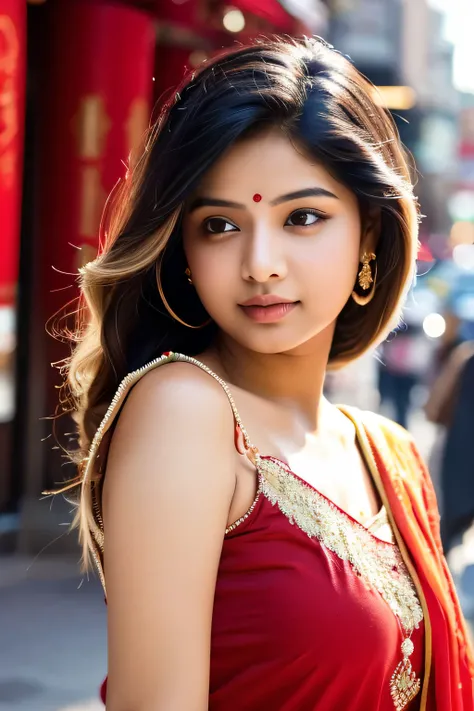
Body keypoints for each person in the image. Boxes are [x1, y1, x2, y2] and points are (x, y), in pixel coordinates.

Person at [44, 37, 473, 711]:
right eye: (219, 225)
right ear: (182, 249)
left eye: (302, 217)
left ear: (369, 235)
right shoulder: (184, 411)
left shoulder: (387, 451)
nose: (261, 262)